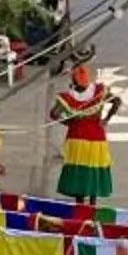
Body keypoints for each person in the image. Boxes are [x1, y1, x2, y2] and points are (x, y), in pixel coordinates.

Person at [49, 46, 120, 202]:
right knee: (94, 168)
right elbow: (117, 101)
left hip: (77, 137)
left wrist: (69, 123)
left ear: (73, 81)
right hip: (97, 138)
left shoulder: (68, 98)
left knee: (78, 169)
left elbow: (53, 114)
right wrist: (106, 119)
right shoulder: (100, 92)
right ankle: (93, 202)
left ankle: (80, 204)